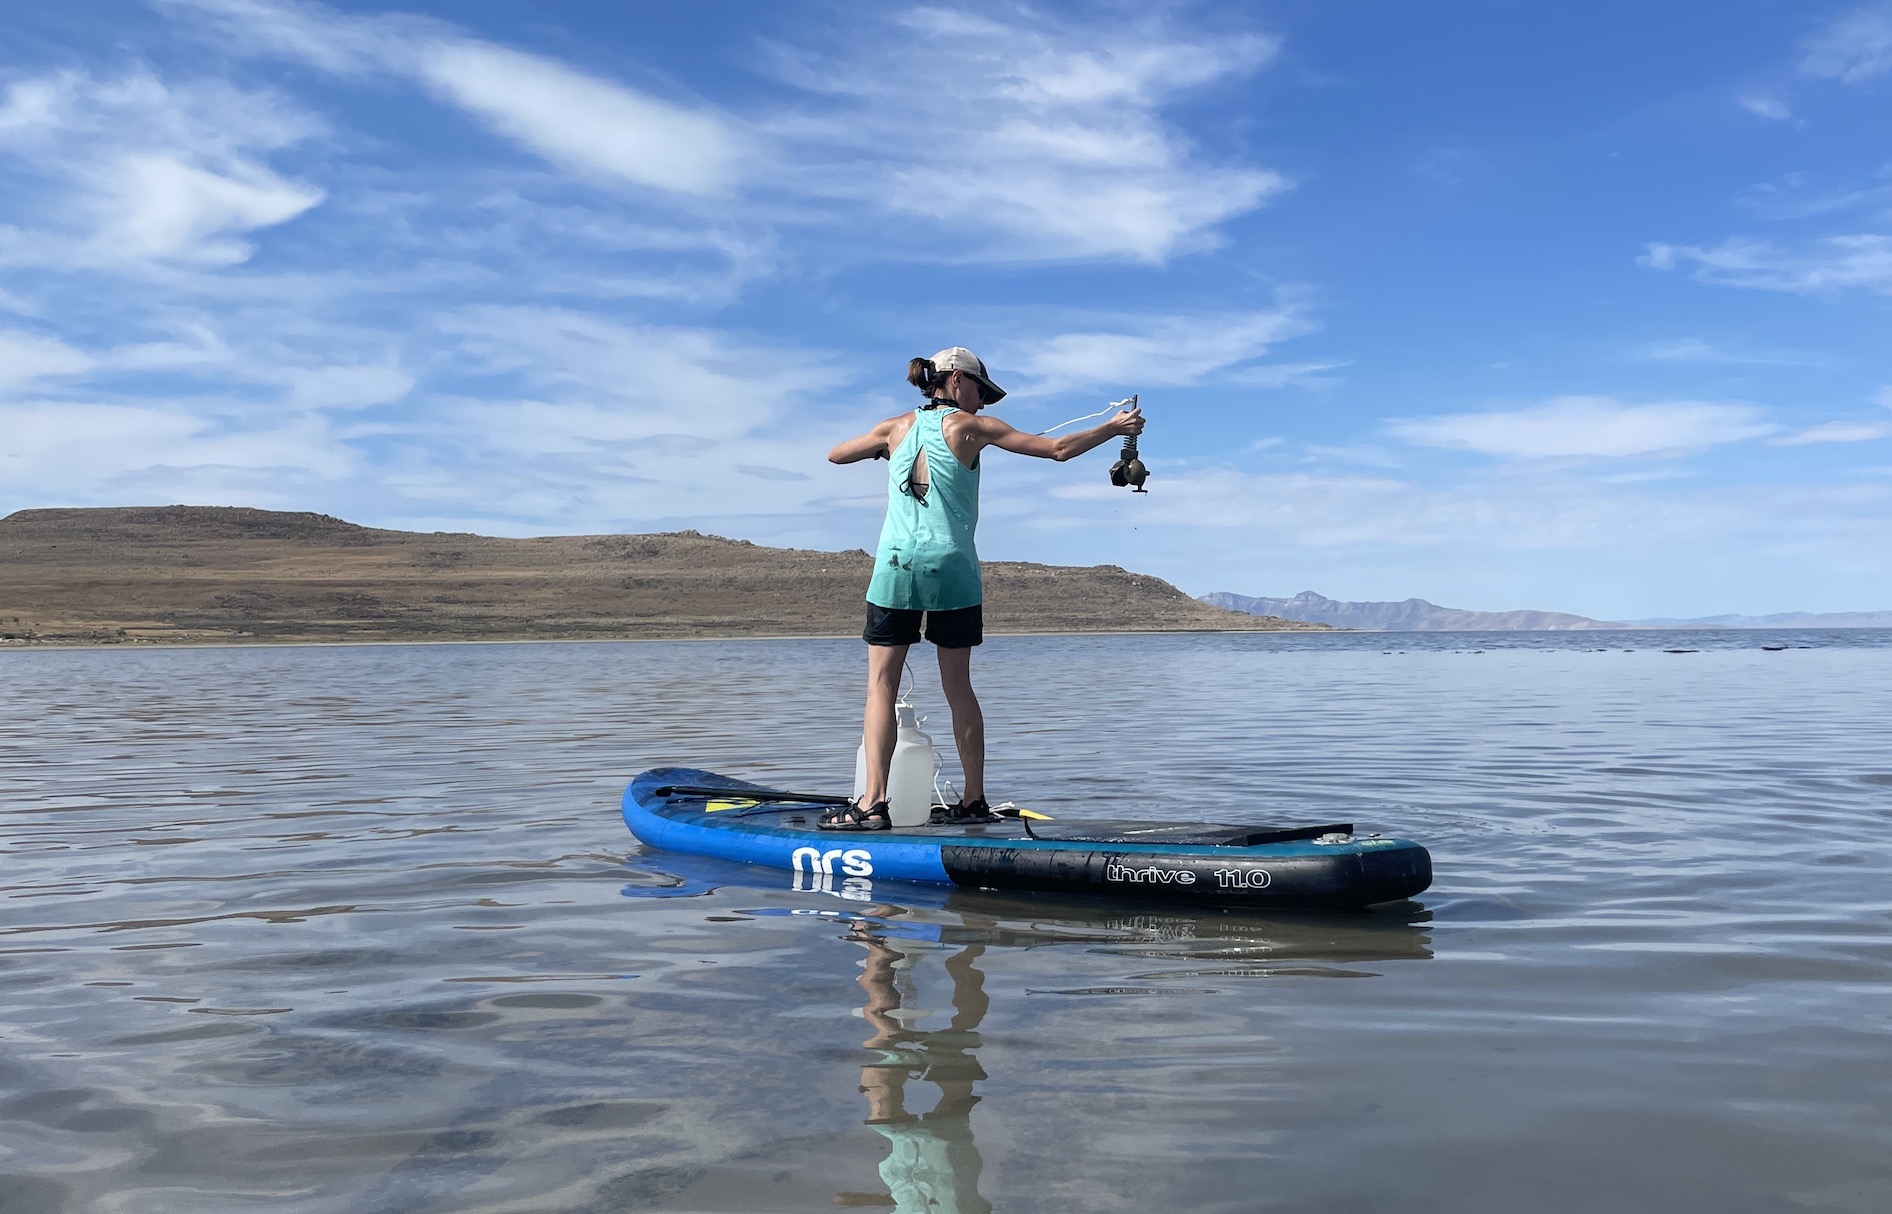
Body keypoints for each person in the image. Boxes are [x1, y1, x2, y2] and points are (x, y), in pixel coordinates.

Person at [821, 347, 1143, 831]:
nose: (983, 403)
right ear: (954, 382)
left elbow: (835, 454)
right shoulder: (972, 429)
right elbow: (1056, 450)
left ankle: (872, 804)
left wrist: (884, 448)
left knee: (880, 686)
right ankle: (972, 801)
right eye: (979, 391)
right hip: (953, 569)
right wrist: (1113, 429)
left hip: (895, 567)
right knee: (958, 686)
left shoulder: (893, 428)